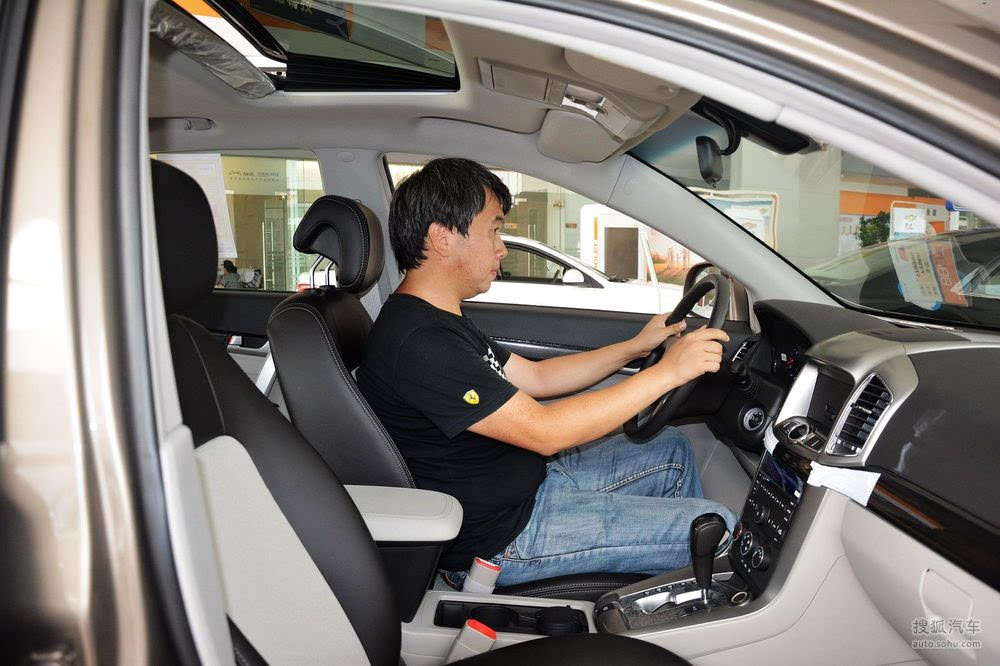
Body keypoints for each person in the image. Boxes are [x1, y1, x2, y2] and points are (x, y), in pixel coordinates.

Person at [356, 158, 737, 588]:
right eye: (493, 230)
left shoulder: (436, 319)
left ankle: (674, 585)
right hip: (504, 536)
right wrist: (667, 373)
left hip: (528, 484)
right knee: (719, 526)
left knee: (672, 451)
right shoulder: (420, 341)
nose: (502, 248)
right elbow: (545, 432)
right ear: (442, 238)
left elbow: (537, 378)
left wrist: (635, 347)